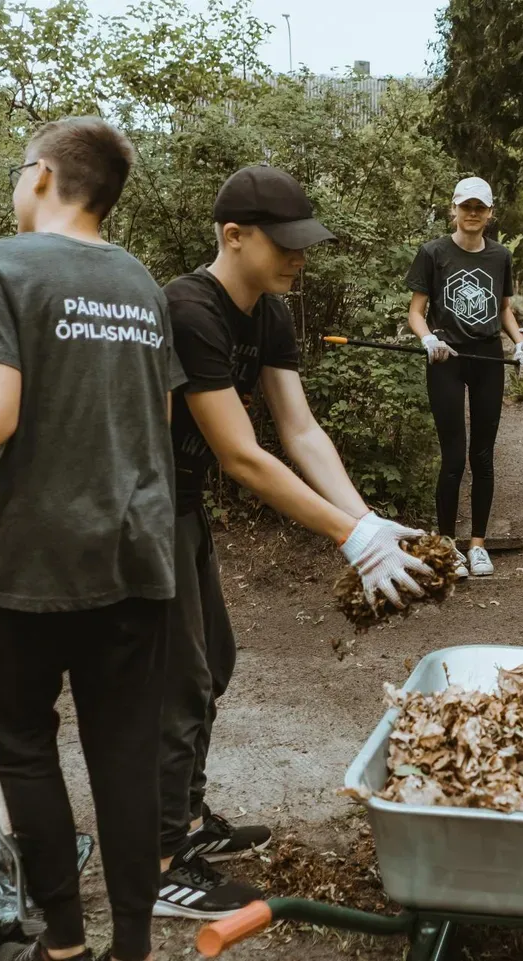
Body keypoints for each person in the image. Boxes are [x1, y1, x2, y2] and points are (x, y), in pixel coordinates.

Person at [0, 117, 183, 961]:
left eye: (19, 173)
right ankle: (133, 944)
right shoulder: (142, 285)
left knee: (21, 744)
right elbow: (155, 422)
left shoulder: (1, 264)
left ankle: (63, 940)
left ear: (42, 175)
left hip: (30, 562)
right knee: (125, 756)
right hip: (135, 557)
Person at [155, 164, 432, 918]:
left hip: (182, 502)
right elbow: (243, 456)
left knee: (213, 659)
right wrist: (349, 536)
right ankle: (160, 860)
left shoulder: (269, 310)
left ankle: (186, 816)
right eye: (286, 243)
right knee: (177, 679)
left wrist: (367, 522)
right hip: (137, 507)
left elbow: (300, 429)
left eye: (305, 243)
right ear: (233, 236)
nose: (300, 257)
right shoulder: (189, 309)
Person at [406, 177, 523, 578]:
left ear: (490, 213)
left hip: (487, 358)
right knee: (452, 456)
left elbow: (503, 309)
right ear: (454, 209)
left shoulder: (500, 256)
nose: (473, 214)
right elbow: (415, 311)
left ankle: (477, 544)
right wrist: (428, 338)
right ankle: (446, 546)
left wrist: (520, 344)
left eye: (480, 207)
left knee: (483, 455)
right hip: (446, 356)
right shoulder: (433, 252)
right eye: (466, 206)